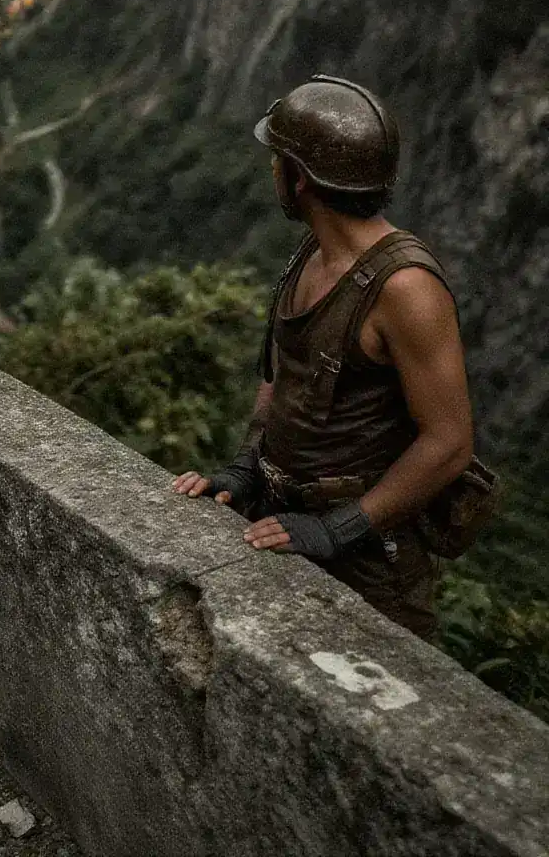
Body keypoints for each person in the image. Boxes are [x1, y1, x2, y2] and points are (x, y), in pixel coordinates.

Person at [174, 75, 474, 638]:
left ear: (300, 178)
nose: (271, 172)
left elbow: (450, 442)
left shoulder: (404, 287)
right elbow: (285, 372)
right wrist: (246, 466)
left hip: (370, 565)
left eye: (276, 160)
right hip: (281, 518)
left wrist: (339, 529)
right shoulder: (315, 250)